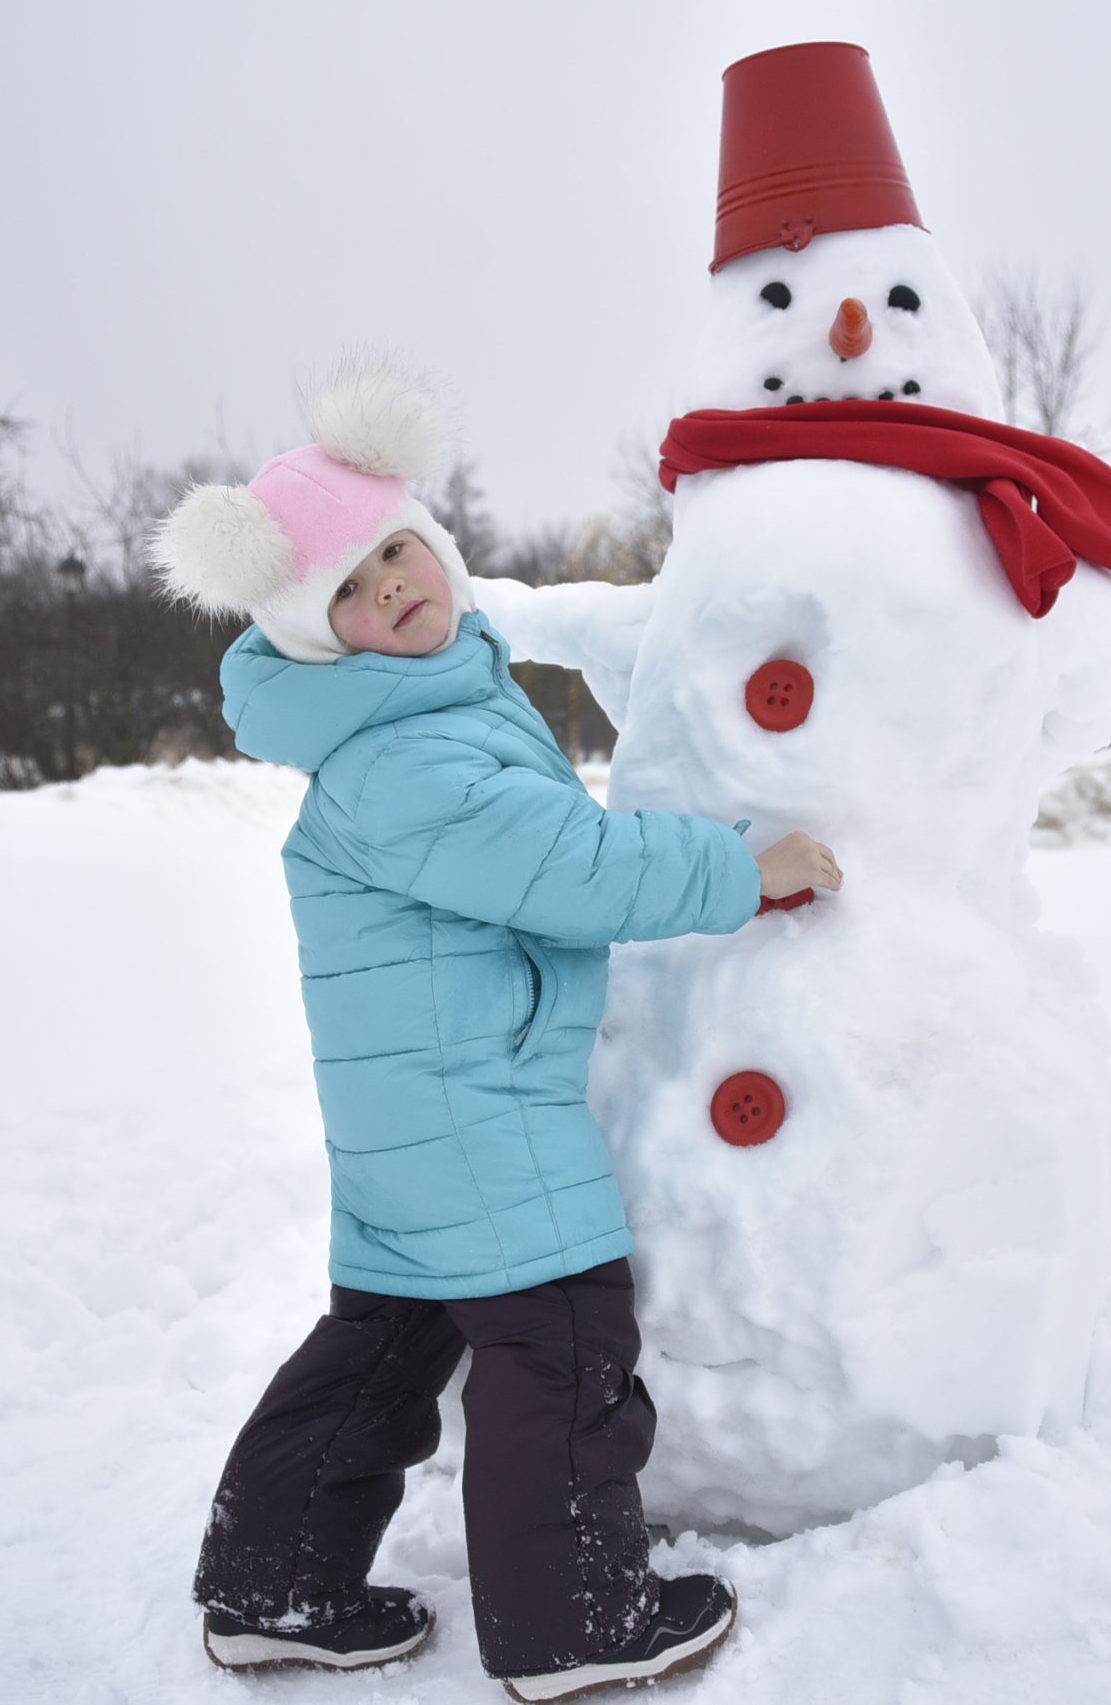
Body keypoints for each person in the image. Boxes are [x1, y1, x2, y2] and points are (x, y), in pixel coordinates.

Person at [151, 362, 839, 1702]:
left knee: (388, 1344)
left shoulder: (419, 711)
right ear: (317, 632)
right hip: (475, 1107)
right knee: (565, 1341)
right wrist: (740, 868)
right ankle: (574, 1616)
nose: (393, 585)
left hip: (419, 1111)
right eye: (350, 588)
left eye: (399, 549)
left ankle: (272, 1578)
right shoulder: (404, 756)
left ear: (438, 543)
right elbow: (566, 864)